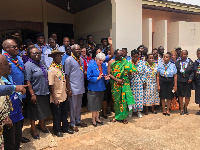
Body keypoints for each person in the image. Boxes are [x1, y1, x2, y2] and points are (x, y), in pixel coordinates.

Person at [0, 54, 27, 149]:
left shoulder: (9, 79)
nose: (10, 66)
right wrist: (15, 88)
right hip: (7, 118)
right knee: (10, 143)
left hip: (15, 113)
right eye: (7, 64)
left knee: (17, 138)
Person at [24, 47, 51, 139]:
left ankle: (41, 125)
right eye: (34, 53)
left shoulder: (41, 62)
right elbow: (27, 81)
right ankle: (33, 130)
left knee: (43, 110)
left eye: (38, 53)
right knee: (34, 112)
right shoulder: (28, 65)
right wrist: (32, 94)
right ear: (29, 55)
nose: (37, 55)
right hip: (35, 93)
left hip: (44, 91)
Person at [48, 49, 74, 137]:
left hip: (63, 95)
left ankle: (65, 128)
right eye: (57, 56)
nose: (59, 58)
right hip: (56, 96)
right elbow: (50, 85)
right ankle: (57, 130)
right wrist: (54, 98)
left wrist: (68, 90)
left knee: (64, 113)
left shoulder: (60, 67)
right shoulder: (51, 70)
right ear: (53, 58)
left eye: (60, 56)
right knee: (57, 115)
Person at [108, 49, 136, 124]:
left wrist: (128, 74)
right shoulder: (111, 62)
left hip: (124, 83)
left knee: (124, 100)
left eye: (122, 54)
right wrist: (117, 80)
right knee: (117, 101)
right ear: (116, 55)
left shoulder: (125, 62)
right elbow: (109, 74)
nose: (122, 56)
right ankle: (117, 116)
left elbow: (129, 72)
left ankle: (124, 117)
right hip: (115, 84)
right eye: (120, 55)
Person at [64, 44, 87, 132]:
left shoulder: (81, 60)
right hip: (72, 87)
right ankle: (72, 123)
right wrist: (68, 89)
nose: (78, 51)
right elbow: (66, 75)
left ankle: (78, 120)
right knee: (73, 106)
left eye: (79, 49)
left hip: (80, 86)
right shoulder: (68, 60)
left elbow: (83, 71)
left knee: (78, 106)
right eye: (77, 49)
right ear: (72, 50)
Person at [87, 52, 110, 127]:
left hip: (101, 87)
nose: (101, 62)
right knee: (94, 105)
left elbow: (105, 76)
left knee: (99, 104)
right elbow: (89, 77)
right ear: (96, 59)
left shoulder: (103, 66)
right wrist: (97, 78)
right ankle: (93, 120)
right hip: (93, 88)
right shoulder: (91, 66)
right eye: (99, 60)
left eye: (102, 60)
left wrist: (106, 79)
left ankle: (97, 118)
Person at [175, 50, 193, 115]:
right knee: (180, 95)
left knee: (187, 95)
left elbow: (193, 72)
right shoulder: (177, 62)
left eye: (184, 54)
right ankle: (181, 108)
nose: (183, 55)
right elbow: (175, 72)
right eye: (182, 54)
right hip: (180, 81)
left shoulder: (190, 62)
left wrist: (191, 78)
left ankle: (185, 108)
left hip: (188, 81)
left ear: (187, 55)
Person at [129, 49, 146, 118]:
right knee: (131, 97)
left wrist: (144, 82)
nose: (135, 58)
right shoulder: (128, 63)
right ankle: (131, 111)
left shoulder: (142, 63)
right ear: (131, 56)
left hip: (139, 82)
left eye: (136, 57)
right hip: (131, 82)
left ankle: (139, 111)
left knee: (139, 97)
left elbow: (144, 73)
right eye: (133, 57)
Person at [193, 48, 200, 115]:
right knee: (199, 96)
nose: (199, 55)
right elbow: (193, 71)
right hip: (198, 82)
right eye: (198, 54)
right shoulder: (195, 63)